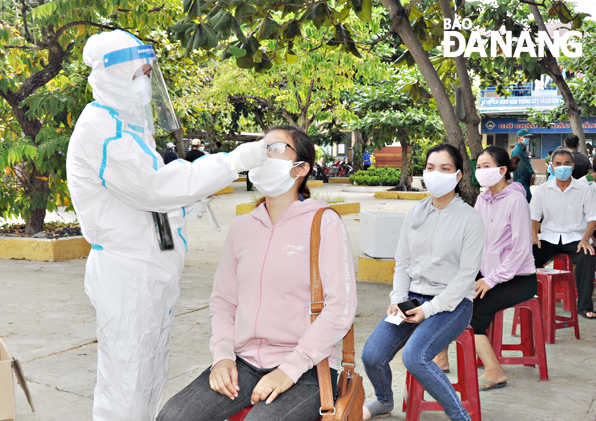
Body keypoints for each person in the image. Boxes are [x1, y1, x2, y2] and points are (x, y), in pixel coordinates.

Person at [66, 29, 268, 421]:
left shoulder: (128, 126)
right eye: (140, 73)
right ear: (115, 75)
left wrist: (183, 205)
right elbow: (154, 189)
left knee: (148, 373)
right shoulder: (101, 128)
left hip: (149, 270)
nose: (146, 83)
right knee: (125, 381)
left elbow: (153, 195)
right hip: (127, 273)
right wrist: (231, 162)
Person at [157, 126, 357, 421]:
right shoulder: (242, 227)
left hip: (308, 367)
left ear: (300, 168)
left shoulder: (323, 223)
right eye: (262, 146)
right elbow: (224, 301)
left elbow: (340, 308)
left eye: (275, 148)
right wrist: (223, 356)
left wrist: (289, 371)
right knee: (172, 416)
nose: (264, 153)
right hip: (243, 362)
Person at [361, 143, 484, 421]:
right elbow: (402, 262)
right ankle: (383, 401)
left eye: (445, 168)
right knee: (371, 355)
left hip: (453, 304)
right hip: (413, 298)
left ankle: (459, 415)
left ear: (458, 176)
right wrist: (397, 299)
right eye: (430, 168)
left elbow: (466, 276)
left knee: (415, 357)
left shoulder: (470, 220)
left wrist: (428, 310)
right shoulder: (415, 212)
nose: (435, 174)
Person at [469, 147, 537, 390]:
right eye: (478, 166)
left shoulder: (516, 199)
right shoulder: (482, 198)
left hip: (518, 277)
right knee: (451, 294)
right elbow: (475, 239)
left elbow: (520, 250)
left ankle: (494, 371)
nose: (480, 171)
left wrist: (491, 280)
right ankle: (441, 357)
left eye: (486, 166)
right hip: (490, 273)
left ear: (503, 170)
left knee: (473, 311)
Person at [530, 147, 596, 320]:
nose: (562, 167)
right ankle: (531, 299)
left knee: (587, 256)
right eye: (558, 164)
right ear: (552, 167)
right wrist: (534, 237)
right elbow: (533, 216)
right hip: (549, 238)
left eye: (566, 163)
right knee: (529, 254)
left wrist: (586, 239)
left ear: (573, 166)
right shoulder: (543, 190)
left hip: (575, 238)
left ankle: (584, 306)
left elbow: (592, 218)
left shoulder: (584, 190)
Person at [511, 129, 536, 202]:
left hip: (525, 179)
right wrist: (530, 176)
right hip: (521, 180)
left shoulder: (523, 150)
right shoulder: (517, 151)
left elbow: (528, 164)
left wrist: (533, 173)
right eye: (525, 137)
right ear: (519, 138)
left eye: (528, 137)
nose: (527, 139)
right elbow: (522, 167)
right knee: (525, 201)